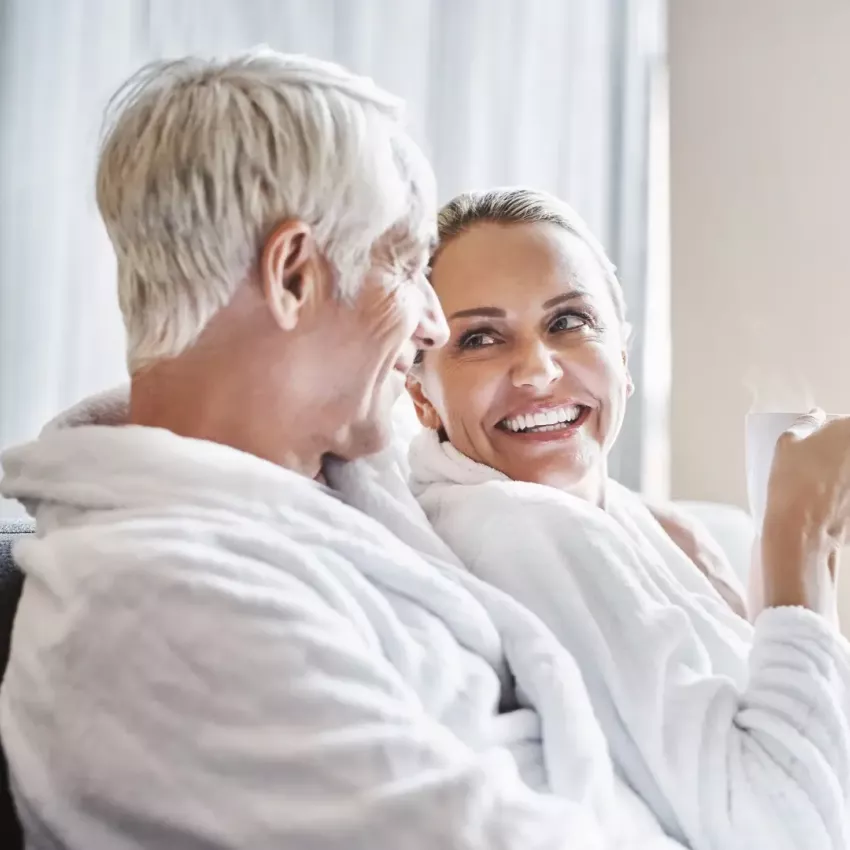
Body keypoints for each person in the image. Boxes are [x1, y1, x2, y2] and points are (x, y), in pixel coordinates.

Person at [0, 52, 685, 849]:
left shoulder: (343, 488)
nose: (432, 323)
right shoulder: (159, 620)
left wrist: (652, 528)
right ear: (293, 274)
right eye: (402, 264)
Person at [406, 186, 850, 850]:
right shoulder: (521, 529)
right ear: (422, 398)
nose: (536, 370)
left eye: (567, 322)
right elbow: (787, 830)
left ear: (624, 356)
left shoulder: (644, 526)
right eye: (480, 338)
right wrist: (798, 542)